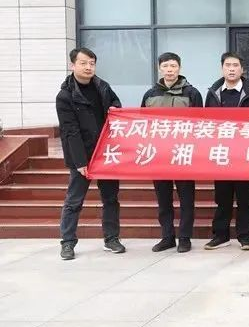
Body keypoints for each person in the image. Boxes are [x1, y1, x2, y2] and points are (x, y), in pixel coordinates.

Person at [56, 48, 125, 260]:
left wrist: (115, 109)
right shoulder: (65, 96)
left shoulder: (103, 87)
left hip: (106, 152)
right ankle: (67, 242)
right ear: (73, 65)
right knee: (74, 201)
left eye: (92, 63)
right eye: (83, 63)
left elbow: (117, 106)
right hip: (82, 156)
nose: (88, 67)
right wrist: (80, 162)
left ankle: (111, 238)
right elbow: (70, 131)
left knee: (111, 198)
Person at [141, 52, 203, 253]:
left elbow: (200, 124)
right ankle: (167, 237)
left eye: (173, 66)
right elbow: (143, 124)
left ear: (179, 68)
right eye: (166, 66)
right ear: (159, 68)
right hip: (159, 155)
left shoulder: (192, 93)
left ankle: (184, 238)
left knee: (186, 199)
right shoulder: (150, 95)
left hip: (183, 153)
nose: (169, 70)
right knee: (163, 199)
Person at [203, 52, 249, 251]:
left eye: (235, 65)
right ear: (222, 68)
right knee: (222, 198)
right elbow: (206, 123)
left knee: (245, 198)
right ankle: (220, 235)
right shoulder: (213, 93)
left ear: (242, 69)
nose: (231, 69)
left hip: (244, 153)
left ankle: (245, 236)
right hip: (221, 152)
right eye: (228, 65)